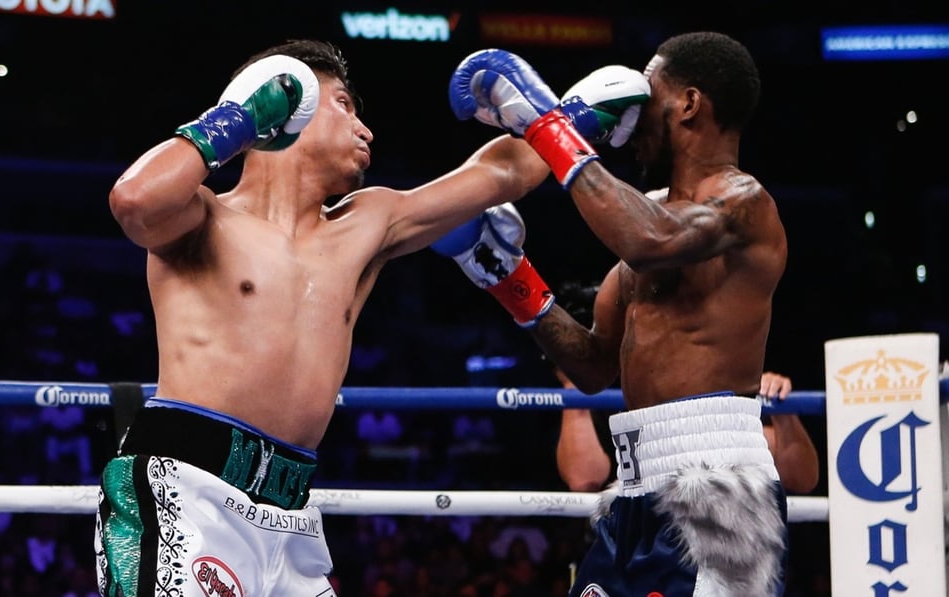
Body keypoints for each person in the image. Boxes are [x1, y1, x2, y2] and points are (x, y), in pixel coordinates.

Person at [99, 39, 556, 597]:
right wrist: (239, 118)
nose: (366, 131)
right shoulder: (201, 217)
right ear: (291, 107)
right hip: (184, 492)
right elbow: (134, 200)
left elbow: (509, 174)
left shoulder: (368, 222)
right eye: (345, 104)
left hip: (289, 514)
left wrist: (550, 112)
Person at [439, 32, 789, 596]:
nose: (630, 112)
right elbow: (595, 367)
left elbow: (652, 240)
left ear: (690, 105)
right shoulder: (646, 213)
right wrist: (507, 277)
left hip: (717, 486)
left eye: (648, 94)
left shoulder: (745, 203)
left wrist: (547, 124)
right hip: (633, 487)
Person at [551, 282, 819, 494]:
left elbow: (802, 479)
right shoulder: (599, 399)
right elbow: (583, 479)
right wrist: (574, 380)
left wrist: (783, 414)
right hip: (627, 532)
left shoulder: (709, 385)